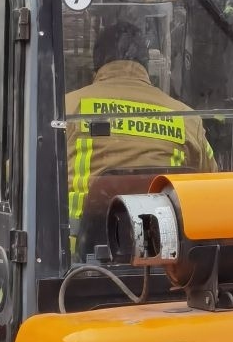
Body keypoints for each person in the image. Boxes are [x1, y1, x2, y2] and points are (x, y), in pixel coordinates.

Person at [65, 22, 216, 252]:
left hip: (75, 259)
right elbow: (211, 186)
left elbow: (22, 175)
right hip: (165, 256)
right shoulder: (186, 117)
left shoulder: (66, 108)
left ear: (96, 68)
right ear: (146, 66)